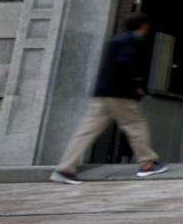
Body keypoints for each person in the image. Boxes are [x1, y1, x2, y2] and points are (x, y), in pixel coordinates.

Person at [50, 13, 168, 184]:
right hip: (120, 94)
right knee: (135, 125)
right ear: (143, 26)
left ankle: (65, 168)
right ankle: (147, 163)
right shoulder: (133, 40)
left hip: (102, 94)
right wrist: (137, 83)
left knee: (86, 131)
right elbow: (127, 62)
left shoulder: (115, 40)